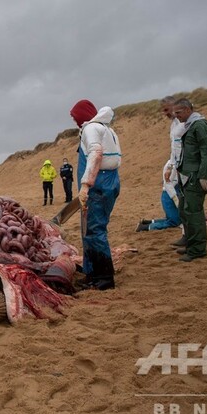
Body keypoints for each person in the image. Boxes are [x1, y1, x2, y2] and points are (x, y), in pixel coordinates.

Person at [70, 99, 121, 290]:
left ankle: (104, 277)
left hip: (99, 183)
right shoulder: (106, 129)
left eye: (74, 117)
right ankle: (92, 273)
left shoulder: (91, 129)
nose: (74, 120)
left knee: (94, 230)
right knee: (90, 229)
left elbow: (96, 153)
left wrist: (85, 185)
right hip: (110, 180)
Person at [172, 98, 207, 262]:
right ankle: (192, 245)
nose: (176, 116)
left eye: (178, 112)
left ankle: (197, 249)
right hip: (187, 176)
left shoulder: (198, 126)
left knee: (194, 213)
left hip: (194, 177)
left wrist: (203, 175)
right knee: (185, 211)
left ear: (187, 110)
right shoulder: (191, 126)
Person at [160, 96, 186, 246]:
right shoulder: (174, 124)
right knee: (170, 186)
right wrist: (170, 166)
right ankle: (184, 229)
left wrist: (174, 166)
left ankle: (184, 228)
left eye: (166, 109)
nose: (165, 113)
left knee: (178, 191)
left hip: (184, 164)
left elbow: (182, 147)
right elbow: (174, 148)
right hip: (176, 163)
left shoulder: (184, 123)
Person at [135, 165, 181, 231]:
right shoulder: (172, 165)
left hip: (170, 194)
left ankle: (149, 222)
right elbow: (167, 183)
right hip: (170, 195)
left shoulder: (174, 164)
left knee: (174, 218)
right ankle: (145, 227)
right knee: (174, 222)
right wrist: (175, 198)